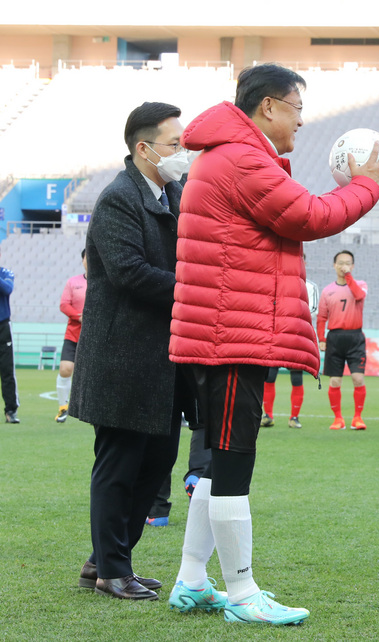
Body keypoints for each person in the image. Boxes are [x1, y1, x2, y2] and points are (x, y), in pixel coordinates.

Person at [167, 63, 379, 624]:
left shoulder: (227, 154)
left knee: (220, 464)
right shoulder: (240, 157)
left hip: (227, 331)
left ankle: (192, 581)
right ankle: (242, 595)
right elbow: (311, 214)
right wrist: (367, 184)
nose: (300, 123)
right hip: (232, 337)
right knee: (233, 464)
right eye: (297, 109)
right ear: (269, 106)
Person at [70, 101, 194, 601]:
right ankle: (111, 571)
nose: (182, 152)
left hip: (162, 359)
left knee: (158, 459)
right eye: (174, 144)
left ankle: (106, 559)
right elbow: (129, 273)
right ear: (144, 149)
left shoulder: (174, 192)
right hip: (122, 357)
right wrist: (196, 286)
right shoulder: (118, 198)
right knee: (119, 463)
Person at [261, 267, 320, 429]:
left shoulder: (310, 286)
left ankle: (294, 417)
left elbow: (313, 310)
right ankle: (268, 415)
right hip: (276, 337)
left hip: (296, 336)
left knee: (296, 377)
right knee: (270, 376)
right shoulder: (277, 283)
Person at [317, 250, 369, 431]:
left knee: (358, 378)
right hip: (335, 338)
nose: (344, 266)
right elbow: (322, 317)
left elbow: (359, 296)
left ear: (353, 266)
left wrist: (348, 276)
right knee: (335, 382)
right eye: (340, 263)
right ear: (334, 265)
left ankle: (357, 418)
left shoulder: (360, 285)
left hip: (355, 337)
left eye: (347, 263)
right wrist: (322, 338)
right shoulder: (327, 290)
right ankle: (338, 418)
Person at [55, 248, 87, 423]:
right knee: (66, 369)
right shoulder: (73, 282)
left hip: (93, 337)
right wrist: (79, 316)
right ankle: (63, 408)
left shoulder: (103, 282)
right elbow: (64, 304)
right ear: (82, 260)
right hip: (74, 334)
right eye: (86, 257)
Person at [0, 254, 19, 424]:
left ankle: (11, 410)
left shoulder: (6, 273)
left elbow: (7, 289)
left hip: (3, 327)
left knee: (7, 371)